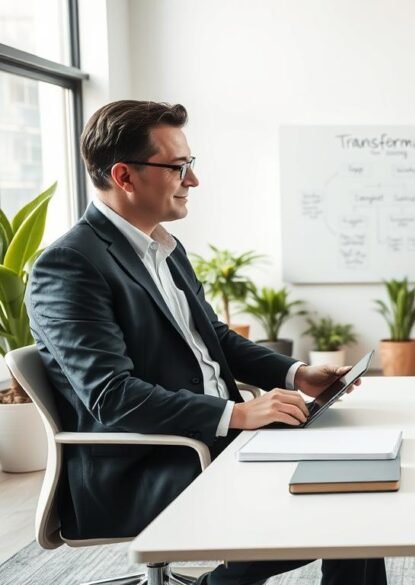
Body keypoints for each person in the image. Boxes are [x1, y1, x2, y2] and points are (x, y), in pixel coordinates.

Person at [26, 100, 386, 585]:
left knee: (358, 485)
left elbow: (214, 339)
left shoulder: (164, 249)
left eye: (190, 165)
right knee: (345, 516)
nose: (192, 180)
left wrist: (297, 374)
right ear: (125, 176)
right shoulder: (69, 265)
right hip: (151, 461)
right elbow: (111, 395)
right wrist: (238, 415)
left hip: (215, 440)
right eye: (179, 167)